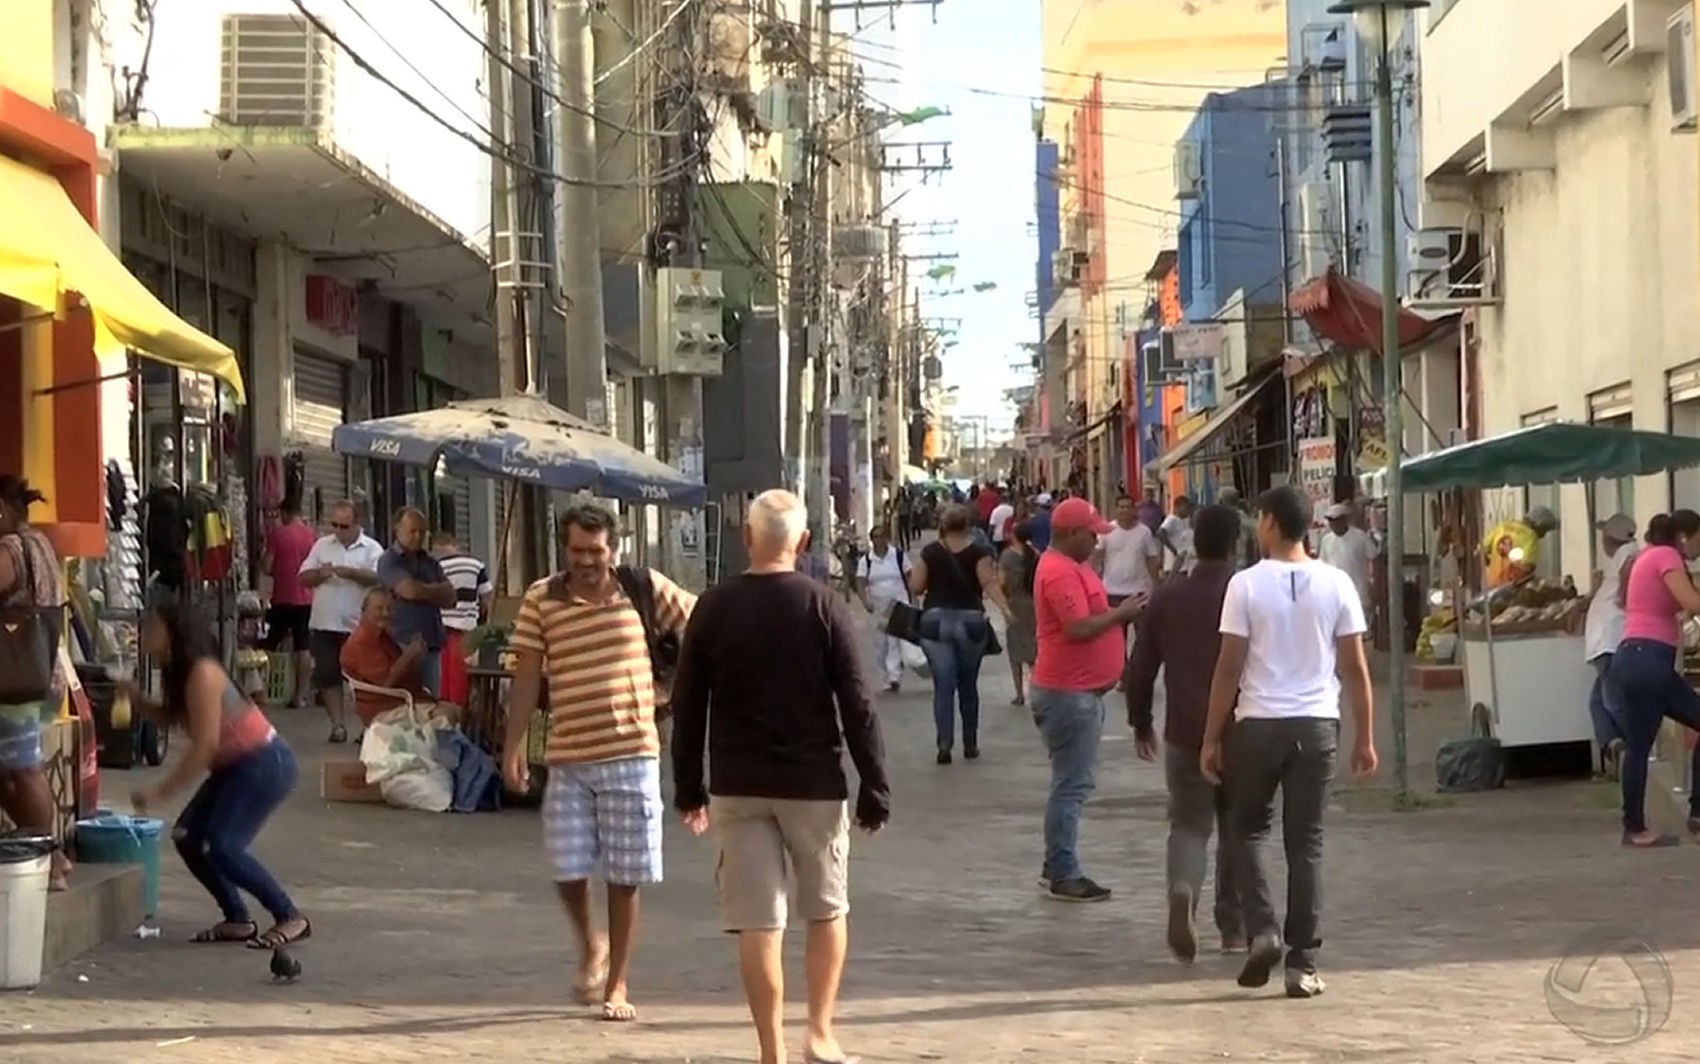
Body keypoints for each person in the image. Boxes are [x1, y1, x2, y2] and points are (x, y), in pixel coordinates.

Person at [671, 489, 890, 1064]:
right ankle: (818, 1033)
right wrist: (875, 785)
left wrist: (688, 788)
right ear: (804, 543)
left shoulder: (712, 608)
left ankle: (771, 1052)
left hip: (738, 785)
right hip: (814, 784)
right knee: (825, 909)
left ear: (746, 538)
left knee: (758, 923)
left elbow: (688, 704)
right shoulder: (823, 606)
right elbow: (857, 702)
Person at [502, 503, 696, 1022]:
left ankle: (618, 983)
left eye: (597, 550)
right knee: (566, 868)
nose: (588, 560)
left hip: (632, 751)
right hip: (568, 754)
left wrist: (676, 689)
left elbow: (703, 627)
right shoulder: (542, 599)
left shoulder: (642, 588)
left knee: (624, 874)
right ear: (563, 550)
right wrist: (514, 745)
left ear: (614, 548)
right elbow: (526, 675)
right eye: (578, 550)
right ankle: (592, 942)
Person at [1201, 485, 1376, 999]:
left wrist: (1212, 736)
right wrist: (1364, 738)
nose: (1257, 527)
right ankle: (1303, 962)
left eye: (1259, 518)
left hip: (1256, 723)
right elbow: (1356, 669)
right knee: (1307, 845)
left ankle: (1263, 929)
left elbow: (1228, 667)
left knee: (1246, 829)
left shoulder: (1245, 586)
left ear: (1273, 523)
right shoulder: (1337, 584)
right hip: (1317, 725)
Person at [127, 603, 308, 949]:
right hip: (234, 766)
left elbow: (204, 746)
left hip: (262, 762)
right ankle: (237, 918)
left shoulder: (202, 672)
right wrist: (138, 701)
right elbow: (175, 719)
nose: (144, 634)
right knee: (187, 837)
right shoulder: (180, 672)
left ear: (173, 633)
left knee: (223, 846)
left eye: (152, 627)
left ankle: (289, 915)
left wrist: (161, 791)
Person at [1125, 504, 1246, 961]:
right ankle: (1233, 928)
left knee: (1189, 825)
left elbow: (1140, 669)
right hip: (1243, 729)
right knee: (1238, 828)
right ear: (1236, 542)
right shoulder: (1249, 592)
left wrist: (1140, 722)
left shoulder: (1168, 597)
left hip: (1184, 731)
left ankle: (1183, 890)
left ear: (1195, 541)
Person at [1030, 498, 1145, 902]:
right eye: (1091, 534)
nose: (1097, 541)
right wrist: (1120, 615)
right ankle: (1063, 870)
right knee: (1071, 786)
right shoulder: (1059, 571)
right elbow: (1078, 627)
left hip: (1079, 692)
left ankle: (1057, 863)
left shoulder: (1074, 567)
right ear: (1070, 533)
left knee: (1072, 782)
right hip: (1068, 693)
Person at [1610, 510, 1700, 848]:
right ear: (1683, 537)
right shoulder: (1666, 556)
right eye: (1699, 539)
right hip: (1648, 661)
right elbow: (1691, 601)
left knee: (1638, 746)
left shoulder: (1646, 556)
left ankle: (1646, 824)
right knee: (1639, 747)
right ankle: (1635, 827)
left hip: (1636, 657)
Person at [0, 475, 72, 890]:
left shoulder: (10, 549)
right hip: (40, 675)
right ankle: (49, 852)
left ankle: (50, 858)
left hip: (15, 682)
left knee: (24, 770)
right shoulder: (40, 543)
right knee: (11, 769)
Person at [907, 504, 1014, 765]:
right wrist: (1006, 610)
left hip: (935, 622)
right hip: (970, 621)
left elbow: (917, 586)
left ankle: (944, 743)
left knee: (943, 687)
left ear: (943, 525)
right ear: (967, 526)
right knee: (968, 685)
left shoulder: (930, 552)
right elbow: (988, 583)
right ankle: (970, 743)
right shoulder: (979, 552)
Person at [299, 500, 384, 743]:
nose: (338, 530)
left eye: (344, 525)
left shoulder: (371, 549)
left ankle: (367, 727)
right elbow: (303, 577)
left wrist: (350, 572)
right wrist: (319, 575)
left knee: (362, 679)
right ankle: (337, 725)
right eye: (334, 524)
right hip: (325, 622)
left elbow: (379, 578)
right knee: (328, 675)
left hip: (358, 624)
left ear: (357, 523)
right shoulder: (322, 545)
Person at [376, 508, 456, 694]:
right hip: (402, 643)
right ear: (398, 528)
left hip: (432, 642)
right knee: (406, 701)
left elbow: (451, 597)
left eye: (422, 532)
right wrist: (436, 590)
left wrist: (422, 589)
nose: (418, 536)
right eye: (413, 531)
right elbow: (409, 591)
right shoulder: (389, 560)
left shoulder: (430, 562)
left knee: (431, 703)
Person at [1584, 514, 1638, 778]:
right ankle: (1614, 744)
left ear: (1609, 539)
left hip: (1611, 637)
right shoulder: (1620, 557)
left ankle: (1637, 747)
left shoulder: (1629, 554)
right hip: (1604, 638)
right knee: (1597, 702)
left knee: (1611, 698)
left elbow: (1626, 588)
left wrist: (1624, 598)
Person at [339, 587, 435, 727]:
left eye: (389, 609)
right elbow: (386, 681)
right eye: (379, 608)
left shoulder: (382, 636)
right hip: (385, 706)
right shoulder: (362, 640)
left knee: (459, 712)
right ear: (364, 610)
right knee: (453, 714)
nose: (385, 613)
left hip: (403, 699)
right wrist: (409, 654)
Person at [260, 502, 318, 708]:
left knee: (271, 644)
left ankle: (264, 690)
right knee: (303, 646)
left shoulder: (278, 534)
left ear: (284, 514)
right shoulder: (312, 535)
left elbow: (267, 566)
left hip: (283, 597)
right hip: (307, 599)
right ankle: (300, 696)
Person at [432, 530, 493, 708]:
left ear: (437, 547)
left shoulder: (436, 566)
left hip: (442, 630)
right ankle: (462, 718)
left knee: (444, 683)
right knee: (463, 681)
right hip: (467, 630)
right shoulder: (476, 564)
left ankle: (447, 717)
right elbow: (487, 598)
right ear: (455, 545)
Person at [855, 525, 913, 692]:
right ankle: (886, 674)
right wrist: (865, 601)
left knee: (894, 640)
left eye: (882, 536)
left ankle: (894, 676)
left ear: (887, 538)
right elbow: (860, 582)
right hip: (878, 607)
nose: (879, 540)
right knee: (880, 644)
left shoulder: (898, 556)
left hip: (898, 605)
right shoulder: (867, 561)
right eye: (875, 537)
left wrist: (913, 598)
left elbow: (909, 577)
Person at [999, 522, 1040, 707]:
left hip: (1015, 604)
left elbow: (1002, 582)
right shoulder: (1036, 555)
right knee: (1034, 650)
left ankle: (1019, 694)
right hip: (1033, 605)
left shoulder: (1007, 556)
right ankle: (1036, 690)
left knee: (1015, 651)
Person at [1318, 502, 1379, 613]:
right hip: (1335, 594)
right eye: (1330, 521)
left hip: (1358, 592)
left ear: (1343, 520)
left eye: (1336, 520)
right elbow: (1323, 566)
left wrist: (1373, 583)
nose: (1333, 524)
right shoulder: (1326, 541)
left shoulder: (1360, 537)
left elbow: (1374, 558)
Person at [1482, 505, 1557, 587]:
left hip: (1493, 586)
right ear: (1537, 525)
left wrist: (1496, 561)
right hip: (1512, 589)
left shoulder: (1503, 527)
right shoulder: (1531, 537)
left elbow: (1482, 552)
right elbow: (1528, 568)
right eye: (1544, 530)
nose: (1543, 535)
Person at [1216, 487, 1262, 570]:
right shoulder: (1250, 522)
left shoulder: (1218, 522)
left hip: (1225, 569)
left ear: (1221, 501)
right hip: (1247, 568)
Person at [1159, 495, 1196, 578]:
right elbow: (1160, 533)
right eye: (1187, 507)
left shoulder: (1184, 521)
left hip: (1184, 565)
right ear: (1178, 507)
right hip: (1173, 565)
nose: (1189, 510)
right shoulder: (1171, 520)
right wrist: (1174, 550)